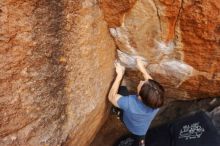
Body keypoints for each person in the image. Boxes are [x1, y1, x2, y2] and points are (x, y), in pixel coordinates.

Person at [108, 57, 165, 146]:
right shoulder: (157, 102)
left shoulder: (130, 103)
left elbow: (111, 97)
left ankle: (117, 112)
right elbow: (151, 86)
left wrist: (119, 75)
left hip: (128, 122)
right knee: (140, 139)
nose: (141, 81)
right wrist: (142, 69)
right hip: (141, 131)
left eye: (142, 84)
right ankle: (141, 142)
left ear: (140, 98)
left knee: (121, 92)